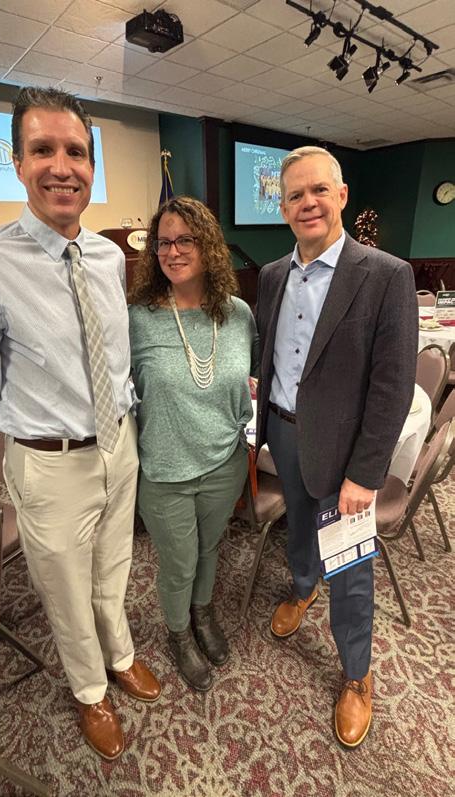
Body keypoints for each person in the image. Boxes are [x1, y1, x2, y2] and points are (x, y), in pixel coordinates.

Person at [0, 86, 160, 761]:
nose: (61, 167)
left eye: (75, 152)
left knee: (113, 568)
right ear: (17, 162)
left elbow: (112, 358)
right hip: (48, 462)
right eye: (43, 150)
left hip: (117, 445)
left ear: (92, 165)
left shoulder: (108, 256)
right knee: (64, 589)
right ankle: (90, 689)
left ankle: (120, 654)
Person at [255, 146, 417, 748]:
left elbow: (393, 385)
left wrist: (366, 474)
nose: (308, 203)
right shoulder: (273, 275)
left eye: (318, 190)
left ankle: (356, 673)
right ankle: (302, 587)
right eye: (295, 195)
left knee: (350, 565)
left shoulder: (386, 275)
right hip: (283, 433)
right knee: (299, 527)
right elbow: (270, 355)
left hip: (347, 454)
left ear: (341, 196)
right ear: (283, 208)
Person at [129, 196, 258, 691]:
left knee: (210, 548)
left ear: (209, 247)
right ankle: (179, 632)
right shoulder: (138, 318)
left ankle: (202, 614)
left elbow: (248, 378)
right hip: (165, 472)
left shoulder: (238, 315)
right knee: (179, 562)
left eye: (186, 239)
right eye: (163, 242)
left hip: (224, 462)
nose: (173, 251)